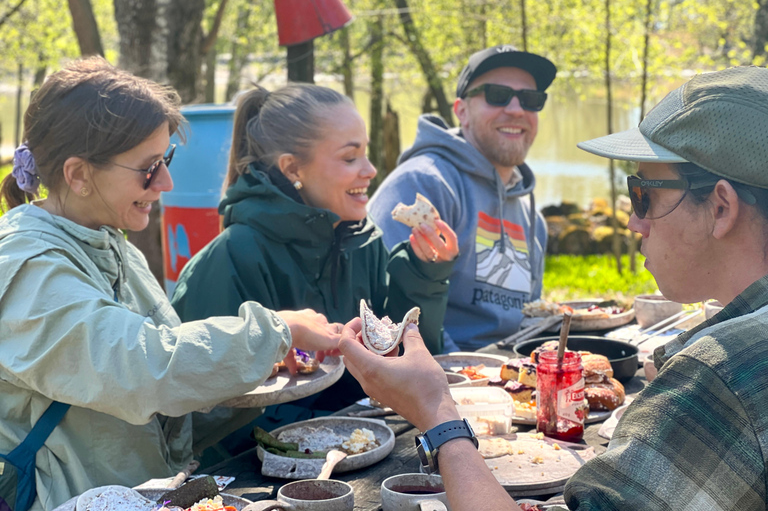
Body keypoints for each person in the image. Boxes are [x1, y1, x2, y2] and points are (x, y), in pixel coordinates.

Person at [342, 65, 768, 511]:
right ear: (460, 109)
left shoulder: (720, 376)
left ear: (721, 207)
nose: (632, 221)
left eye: (643, 195)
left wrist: (437, 414)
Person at [0, 57, 340, 511]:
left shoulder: (117, 248)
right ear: (78, 174)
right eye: (147, 167)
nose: (166, 181)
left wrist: (261, 371)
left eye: (167, 159)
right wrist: (274, 331)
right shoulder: (26, 268)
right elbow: (144, 370)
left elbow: (163, 410)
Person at [170, 84, 458, 413]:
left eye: (366, 152)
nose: (371, 170)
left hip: (373, 445)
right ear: (293, 168)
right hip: (257, 461)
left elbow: (407, 362)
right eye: (350, 158)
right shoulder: (227, 262)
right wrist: (335, 435)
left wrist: (423, 275)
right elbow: (210, 410)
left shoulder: (366, 241)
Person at [368, 45, 556, 352]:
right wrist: (469, 376)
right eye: (497, 95)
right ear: (461, 111)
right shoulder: (422, 185)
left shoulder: (533, 218)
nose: (516, 109)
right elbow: (385, 309)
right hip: (441, 375)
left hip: (513, 373)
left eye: (531, 100)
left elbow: (529, 320)